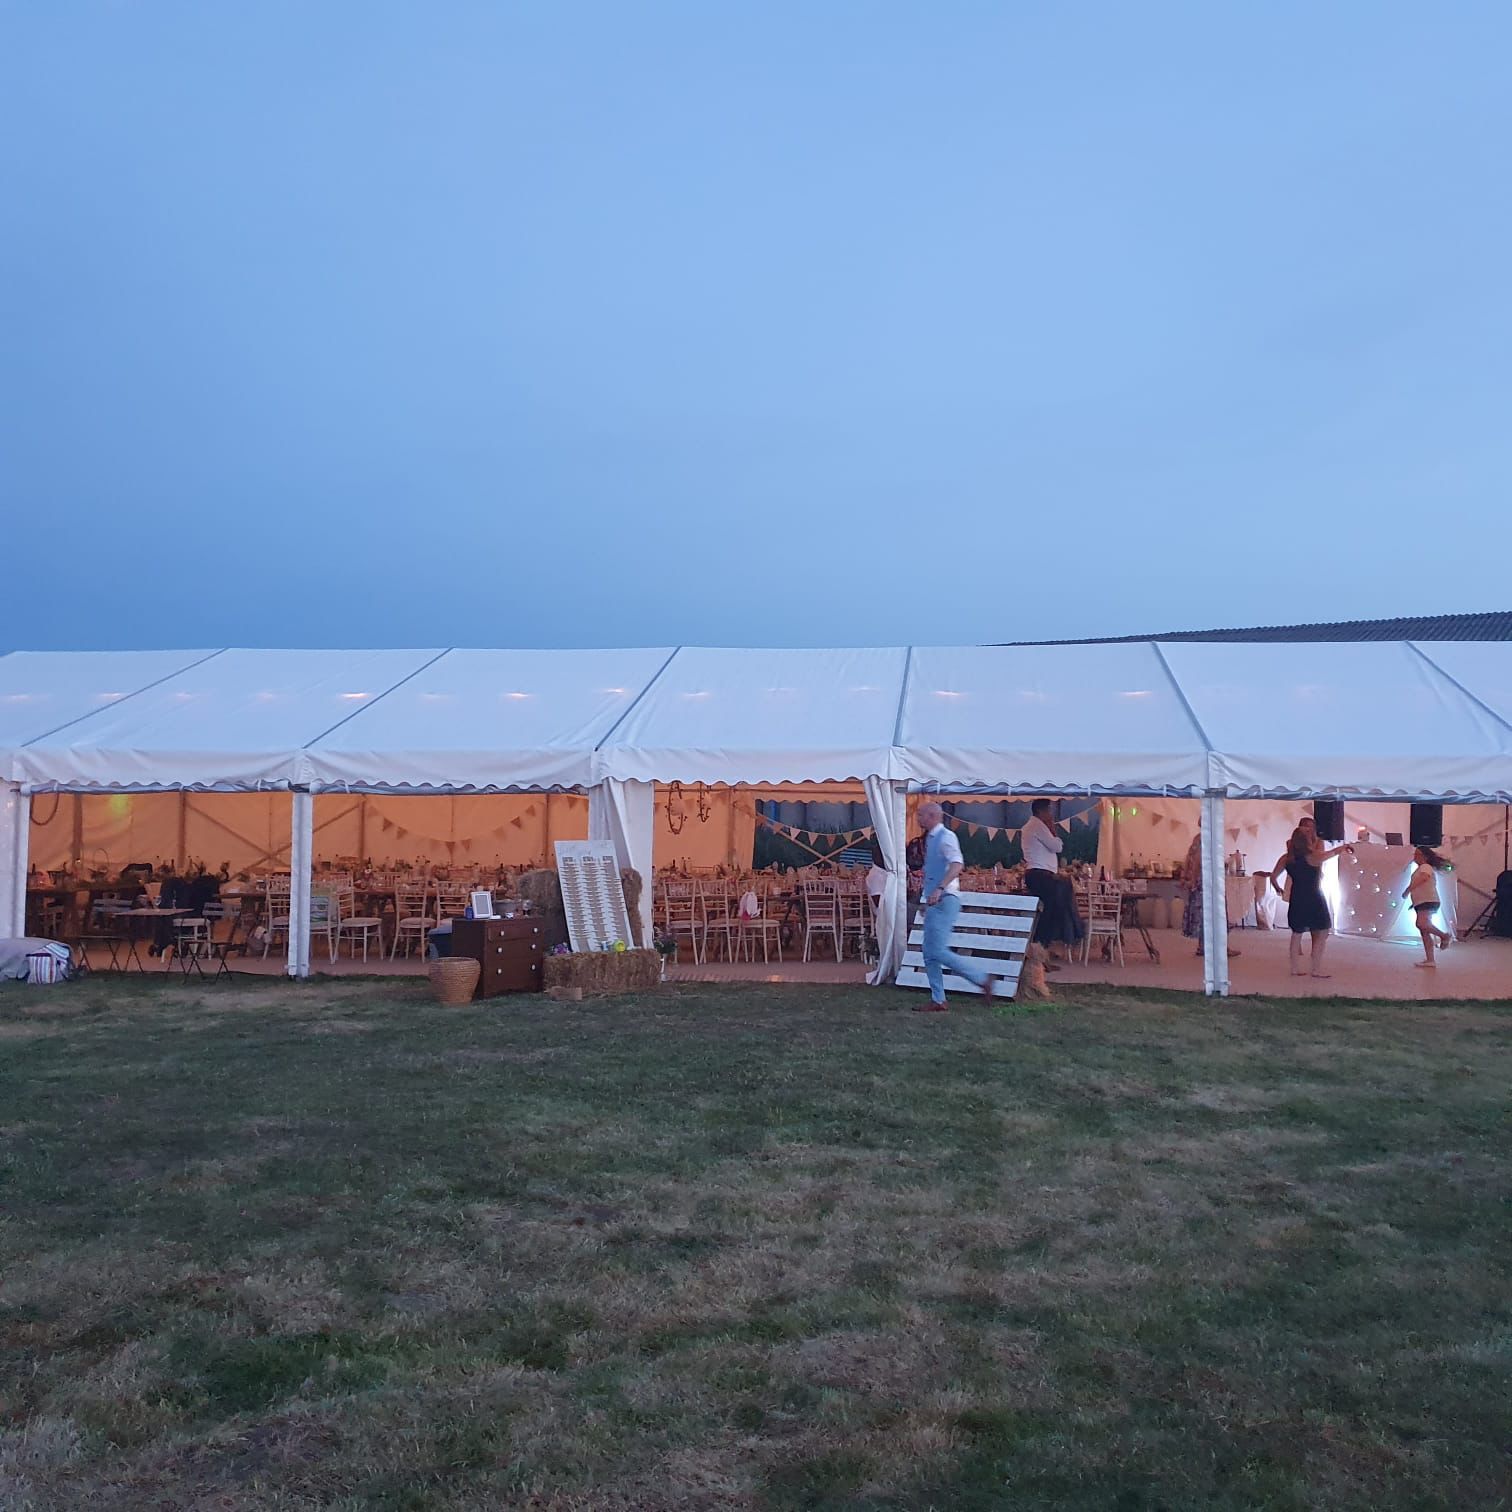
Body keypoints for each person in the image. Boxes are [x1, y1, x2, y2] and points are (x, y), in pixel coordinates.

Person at [915, 801, 993, 1012]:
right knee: (929, 952)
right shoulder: (932, 839)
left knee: (936, 950)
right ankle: (938, 999)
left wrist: (939, 888)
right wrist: (927, 899)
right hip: (936, 900)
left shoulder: (946, 837)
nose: (918, 818)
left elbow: (957, 864)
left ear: (932, 816)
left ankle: (981, 978)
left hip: (945, 898)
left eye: (921, 814)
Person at [1270, 818, 1354, 978]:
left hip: (1296, 897)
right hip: (1314, 897)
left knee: (1296, 933)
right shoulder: (1313, 857)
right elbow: (1332, 853)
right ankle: (1315, 968)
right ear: (1306, 841)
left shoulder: (1286, 858)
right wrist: (1344, 847)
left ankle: (1294, 968)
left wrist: (1278, 888)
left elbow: (1273, 877)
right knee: (1323, 930)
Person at [1021, 799, 1084, 958]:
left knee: (1051, 909)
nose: (1051, 814)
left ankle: (1047, 944)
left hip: (1037, 874)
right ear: (1041, 811)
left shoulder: (1031, 826)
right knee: (1051, 910)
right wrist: (1052, 829)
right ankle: (1043, 944)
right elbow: (1057, 846)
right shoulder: (1038, 826)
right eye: (1049, 810)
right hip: (1041, 874)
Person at [1179, 822, 1239, 959]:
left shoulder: (1198, 838)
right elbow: (1197, 860)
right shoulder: (1209, 838)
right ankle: (1222, 948)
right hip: (1209, 881)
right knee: (1218, 914)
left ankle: (1202, 946)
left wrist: (1186, 876)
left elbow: (1189, 858)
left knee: (1204, 914)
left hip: (1202, 881)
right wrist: (1193, 879)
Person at [1403, 846, 1453, 967]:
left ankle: (1444, 936)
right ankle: (1430, 959)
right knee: (1424, 930)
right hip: (1422, 901)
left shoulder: (1425, 867)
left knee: (1421, 924)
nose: (1415, 857)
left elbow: (1424, 878)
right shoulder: (1420, 868)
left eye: (1418, 854)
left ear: (1424, 857)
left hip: (1428, 900)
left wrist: (1408, 890)